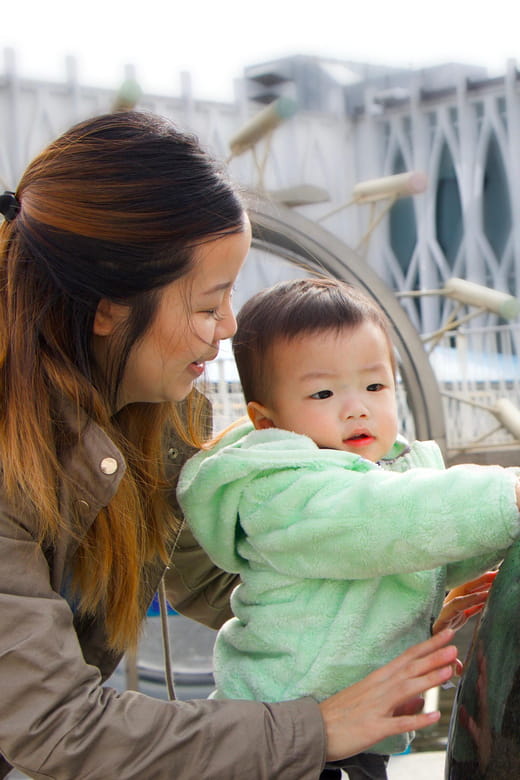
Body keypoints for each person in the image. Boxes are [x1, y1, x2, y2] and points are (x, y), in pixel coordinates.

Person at [0, 111, 460, 780]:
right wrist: (316, 728)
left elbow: (232, 570)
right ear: (106, 307)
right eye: (207, 302)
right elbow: (56, 728)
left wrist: (392, 567)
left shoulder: (162, 413)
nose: (230, 326)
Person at [178, 277, 520, 780]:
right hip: (281, 738)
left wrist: (472, 567)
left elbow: (413, 541)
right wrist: (508, 495)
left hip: (352, 737)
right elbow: (384, 518)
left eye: (375, 386)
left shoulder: (389, 479)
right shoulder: (281, 493)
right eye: (323, 392)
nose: (357, 406)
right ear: (267, 422)